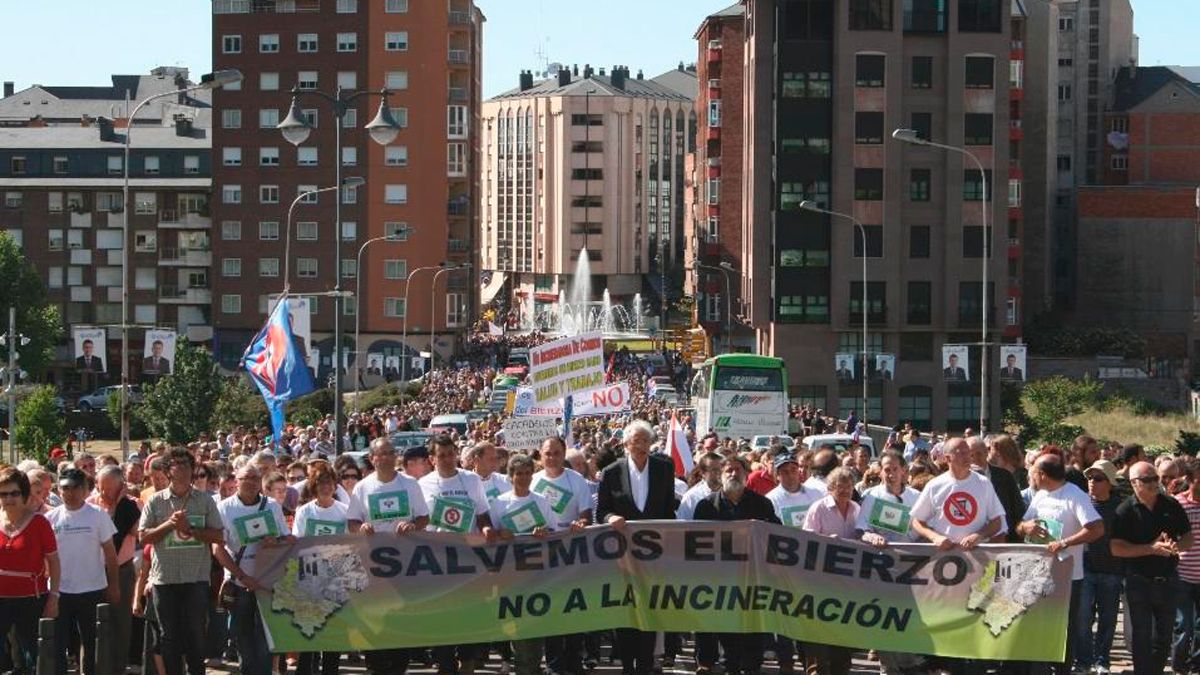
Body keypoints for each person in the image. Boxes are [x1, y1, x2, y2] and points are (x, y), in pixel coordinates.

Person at [596, 419, 678, 675]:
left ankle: (645, 663)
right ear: (626, 443)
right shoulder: (611, 472)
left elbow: (668, 510)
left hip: (653, 555)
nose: (641, 445)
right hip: (622, 555)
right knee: (625, 609)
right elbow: (602, 511)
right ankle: (627, 664)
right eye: (636, 440)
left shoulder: (664, 469)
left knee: (650, 609)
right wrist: (611, 519)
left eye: (645, 440)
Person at [137, 448, 225, 675]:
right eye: (177, 464)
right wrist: (169, 525)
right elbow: (144, 537)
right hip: (164, 580)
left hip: (195, 579)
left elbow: (218, 535)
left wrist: (191, 530)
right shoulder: (156, 501)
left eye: (187, 464)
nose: (183, 468)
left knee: (195, 635)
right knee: (169, 637)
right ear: (167, 470)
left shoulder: (204, 500)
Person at [347, 437, 430, 675]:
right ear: (372, 459)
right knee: (375, 617)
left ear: (396, 456)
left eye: (390, 453)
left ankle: (398, 667)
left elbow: (424, 518)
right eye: (380, 454)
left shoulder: (410, 484)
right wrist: (360, 528)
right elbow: (352, 521)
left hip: (404, 563)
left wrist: (412, 525)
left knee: (400, 617)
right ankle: (375, 667)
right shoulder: (363, 487)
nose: (385, 458)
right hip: (374, 564)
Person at [1016, 454, 1104, 675]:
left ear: (1042, 475)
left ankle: (1063, 669)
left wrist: (1064, 543)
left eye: (1033, 470)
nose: (1030, 474)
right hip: (1037, 575)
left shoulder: (1074, 495)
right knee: (1038, 627)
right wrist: (1026, 527)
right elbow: (1020, 526)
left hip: (1068, 577)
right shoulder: (1040, 495)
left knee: (1064, 629)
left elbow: (1096, 529)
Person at [693, 456, 780, 675]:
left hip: (753, 579)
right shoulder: (705, 506)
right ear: (720, 476)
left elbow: (776, 536)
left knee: (752, 627)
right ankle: (725, 663)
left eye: (738, 470)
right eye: (728, 470)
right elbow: (694, 544)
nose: (733, 474)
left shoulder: (762, 504)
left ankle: (751, 664)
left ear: (745, 473)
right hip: (718, 580)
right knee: (722, 627)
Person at [420, 434, 496, 675]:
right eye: (441, 456)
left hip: (468, 558)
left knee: (468, 612)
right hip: (437, 560)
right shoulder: (422, 484)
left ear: (456, 454)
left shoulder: (472, 480)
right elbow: (419, 521)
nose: (446, 459)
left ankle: (467, 661)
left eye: (450, 454)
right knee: (440, 614)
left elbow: (483, 513)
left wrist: (485, 528)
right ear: (432, 459)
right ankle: (445, 663)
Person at [1111, 461, 1194, 675]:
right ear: (1134, 483)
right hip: (1138, 580)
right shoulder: (1125, 510)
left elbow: (1188, 538)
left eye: (1155, 478)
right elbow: (1116, 548)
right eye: (1147, 480)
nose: (1153, 483)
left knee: (1164, 635)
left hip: (1167, 579)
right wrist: (1150, 549)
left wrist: (1177, 546)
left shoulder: (1171, 504)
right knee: (1142, 635)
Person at [212, 464, 290, 675]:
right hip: (240, 583)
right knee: (242, 637)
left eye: (256, 478)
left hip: (268, 583)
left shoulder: (272, 506)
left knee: (265, 638)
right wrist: (241, 576)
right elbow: (218, 548)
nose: (252, 482)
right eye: (247, 478)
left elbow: (288, 539)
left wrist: (276, 541)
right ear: (236, 480)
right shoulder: (225, 508)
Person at [46, 468, 120, 675]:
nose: (70, 493)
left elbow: (111, 555)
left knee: (91, 642)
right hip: (60, 591)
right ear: (59, 491)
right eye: (65, 488)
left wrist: (114, 586)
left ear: (85, 490)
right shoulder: (50, 518)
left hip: (92, 589)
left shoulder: (98, 516)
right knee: (57, 642)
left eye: (75, 488)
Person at [488, 454, 557, 675]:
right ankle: (522, 666)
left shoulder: (541, 500)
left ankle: (533, 666)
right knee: (514, 626)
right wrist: (500, 533)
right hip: (510, 574)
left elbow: (555, 533)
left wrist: (544, 533)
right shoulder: (499, 503)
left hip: (536, 573)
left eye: (528, 473)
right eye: (519, 473)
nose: (524, 477)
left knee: (535, 625)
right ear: (511, 476)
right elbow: (489, 539)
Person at [531, 436, 592, 675]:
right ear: (540, 454)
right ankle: (554, 663)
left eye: (557, 453)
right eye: (548, 453)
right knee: (550, 608)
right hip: (544, 555)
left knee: (574, 608)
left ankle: (574, 660)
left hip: (572, 553)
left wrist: (581, 522)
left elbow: (587, 514)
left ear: (564, 453)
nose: (552, 458)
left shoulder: (577, 481)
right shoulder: (533, 481)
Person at [0, 467, 60, 673]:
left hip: (31, 599)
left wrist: (54, 597)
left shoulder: (39, 523)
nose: (9, 498)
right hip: (1, 598)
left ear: (24, 494)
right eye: (3, 493)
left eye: (14, 493)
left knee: (33, 656)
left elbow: (54, 562)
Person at [801, 468, 860, 675]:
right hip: (820, 582)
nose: (845, 490)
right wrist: (827, 542)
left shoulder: (856, 509)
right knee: (818, 635)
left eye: (849, 486)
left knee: (842, 636)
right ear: (830, 488)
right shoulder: (818, 508)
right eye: (840, 486)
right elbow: (806, 542)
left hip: (847, 584)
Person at [294, 461, 350, 675]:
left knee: (332, 636)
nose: (325, 487)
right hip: (310, 580)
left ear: (335, 485)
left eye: (329, 482)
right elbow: (299, 544)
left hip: (336, 582)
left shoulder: (344, 511)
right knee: (309, 634)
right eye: (321, 483)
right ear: (314, 486)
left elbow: (349, 546)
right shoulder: (304, 512)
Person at [86, 465, 141, 675]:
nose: (105, 493)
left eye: (110, 489)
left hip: (122, 570)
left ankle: (118, 667)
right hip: (93, 570)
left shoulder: (132, 505)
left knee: (120, 621)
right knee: (92, 621)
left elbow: (136, 533)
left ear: (121, 486)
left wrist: (118, 506)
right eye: (101, 488)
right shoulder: (90, 504)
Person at [1076, 460, 1124, 675]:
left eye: (1098, 478)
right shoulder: (1081, 502)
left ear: (1110, 483)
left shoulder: (1122, 508)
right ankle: (1084, 661)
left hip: (1112, 569)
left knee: (1108, 618)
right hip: (1085, 568)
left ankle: (1103, 660)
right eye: (1089, 478)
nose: (1092, 483)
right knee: (1082, 617)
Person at [1174, 457, 1200, 673]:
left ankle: (1196, 665)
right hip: (1181, 574)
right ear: (1190, 480)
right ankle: (1178, 665)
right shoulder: (1177, 504)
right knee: (1184, 624)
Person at [765, 451, 823, 529]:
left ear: (798, 471)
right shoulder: (771, 500)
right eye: (785, 471)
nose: (790, 475)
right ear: (777, 475)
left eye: (793, 469)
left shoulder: (816, 494)